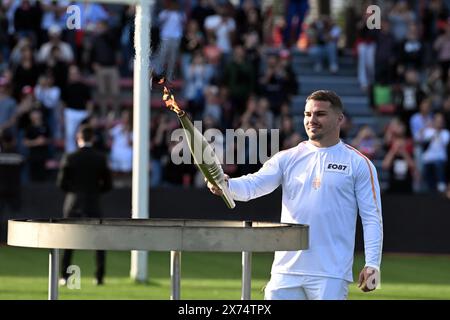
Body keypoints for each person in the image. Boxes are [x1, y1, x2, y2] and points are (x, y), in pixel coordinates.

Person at [207, 90, 383, 300]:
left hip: (331, 274)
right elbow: (254, 186)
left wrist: (372, 263)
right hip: (285, 272)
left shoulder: (359, 164)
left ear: (339, 119)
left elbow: (372, 217)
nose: (312, 120)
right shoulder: (287, 158)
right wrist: (227, 185)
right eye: (307, 114)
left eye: (320, 114)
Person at [57, 125, 113, 286]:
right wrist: (95, 191)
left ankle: (65, 276)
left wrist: (74, 192)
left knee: (68, 240)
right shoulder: (100, 158)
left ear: (78, 138)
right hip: (93, 203)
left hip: (73, 203)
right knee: (99, 240)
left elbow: (61, 183)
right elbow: (108, 184)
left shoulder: (70, 157)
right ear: (92, 139)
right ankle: (99, 277)